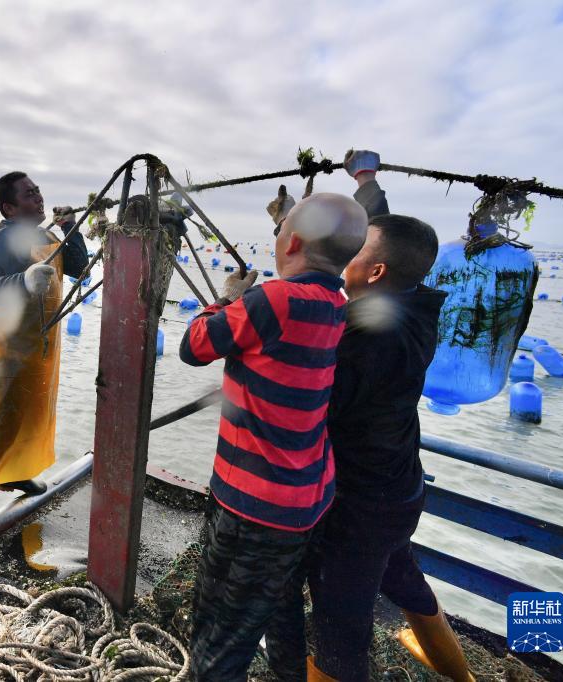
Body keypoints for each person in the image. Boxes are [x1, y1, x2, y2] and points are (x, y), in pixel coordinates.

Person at [296, 151, 474, 681]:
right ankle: (461, 677)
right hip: (400, 490)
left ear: (374, 271)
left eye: (354, 252)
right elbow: (388, 234)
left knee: (339, 632)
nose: (344, 255)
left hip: (358, 506)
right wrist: (367, 183)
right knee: (407, 584)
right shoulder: (415, 303)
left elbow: (310, 402)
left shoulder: (367, 334)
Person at [180, 193, 368, 681]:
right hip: (305, 499)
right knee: (277, 608)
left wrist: (226, 298)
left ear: (294, 243)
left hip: (252, 505)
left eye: (280, 229)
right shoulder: (335, 305)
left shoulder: (274, 300)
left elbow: (193, 347)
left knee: (220, 634)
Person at [0, 171, 88, 542]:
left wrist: (71, 227)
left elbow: (78, 267)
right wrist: (22, 281)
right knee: (0, 420)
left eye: (38, 191)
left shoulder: (45, 236)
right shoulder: (4, 239)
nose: (38, 198)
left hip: (43, 346)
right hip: (10, 346)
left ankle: (13, 474)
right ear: (9, 208)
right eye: (29, 195)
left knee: (32, 413)